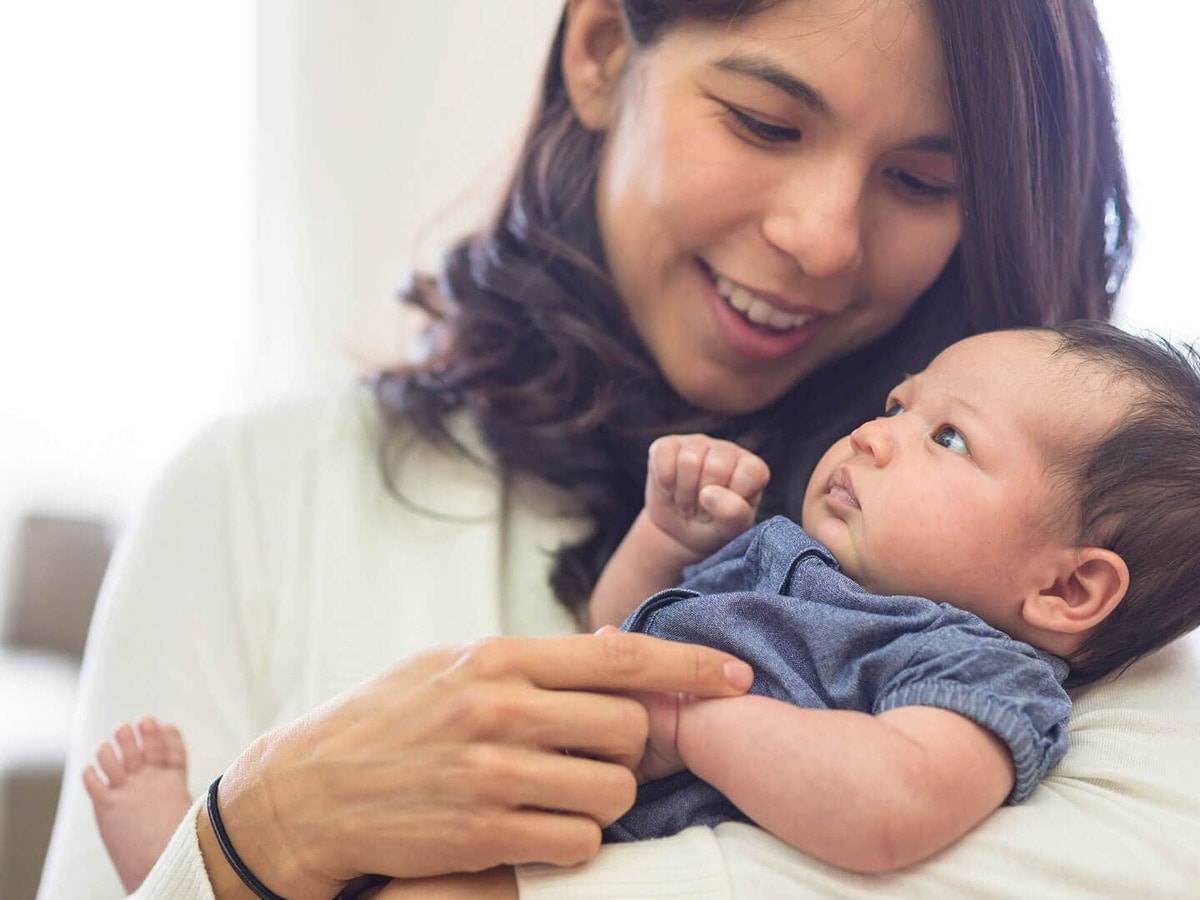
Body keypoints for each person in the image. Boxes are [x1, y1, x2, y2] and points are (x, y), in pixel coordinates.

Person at [36, 1, 1199, 898]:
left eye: (922, 181)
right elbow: (615, 642)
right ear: (600, 51)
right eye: (764, 123)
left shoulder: (1090, 585)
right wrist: (256, 829)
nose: (822, 239)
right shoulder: (249, 493)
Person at [81, 322, 1200, 888]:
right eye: (900, 406)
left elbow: (890, 807)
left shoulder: (974, 670)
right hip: (533, 788)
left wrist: (692, 723)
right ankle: (190, 856)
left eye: (947, 438)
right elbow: (615, 636)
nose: (876, 435)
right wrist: (667, 540)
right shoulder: (778, 554)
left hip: (594, 854)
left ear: (1068, 588)